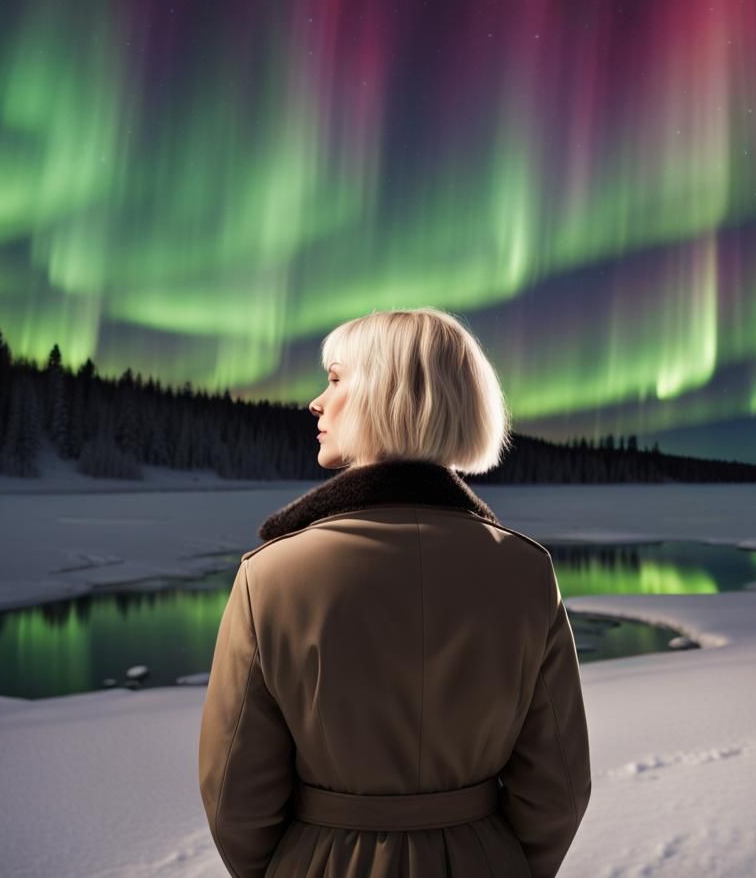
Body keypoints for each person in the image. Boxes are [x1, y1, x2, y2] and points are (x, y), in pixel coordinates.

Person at [198, 307, 592, 877]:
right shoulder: (525, 570)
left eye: (335, 380)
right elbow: (559, 790)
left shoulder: (272, 574)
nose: (316, 403)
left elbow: (233, 794)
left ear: (384, 396)